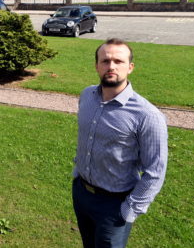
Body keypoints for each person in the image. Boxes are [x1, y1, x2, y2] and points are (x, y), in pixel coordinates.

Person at [72, 38, 168, 248]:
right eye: (105, 61)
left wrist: (129, 210)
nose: (111, 66)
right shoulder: (87, 95)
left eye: (118, 61)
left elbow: (155, 171)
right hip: (81, 193)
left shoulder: (147, 115)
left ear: (130, 67)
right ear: (97, 65)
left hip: (115, 204)